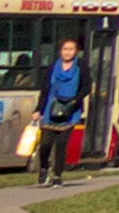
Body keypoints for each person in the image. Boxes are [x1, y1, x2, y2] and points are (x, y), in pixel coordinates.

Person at [35, 41, 84, 187]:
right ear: (60, 51)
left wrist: (75, 101)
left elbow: (86, 86)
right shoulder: (52, 68)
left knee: (61, 144)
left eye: (71, 49)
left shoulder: (81, 67)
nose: (67, 52)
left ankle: (57, 176)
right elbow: (45, 89)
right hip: (51, 110)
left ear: (76, 51)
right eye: (65, 49)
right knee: (45, 144)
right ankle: (44, 167)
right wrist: (38, 109)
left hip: (70, 111)